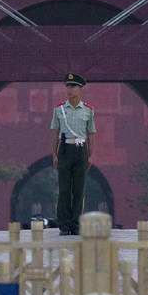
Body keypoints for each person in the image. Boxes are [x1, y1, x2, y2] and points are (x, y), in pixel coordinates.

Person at [50, 72, 96, 235]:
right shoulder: (59, 109)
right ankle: (63, 223)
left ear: (81, 88)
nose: (70, 89)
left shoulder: (88, 110)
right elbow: (55, 133)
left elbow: (91, 133)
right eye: (68, 86)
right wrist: (54, 155)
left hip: (81, 150)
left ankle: (76, 223)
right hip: (65, 149)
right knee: (64, 189)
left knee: (78, 189)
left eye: (73, 86)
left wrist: (90, 155)